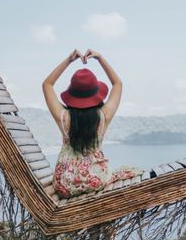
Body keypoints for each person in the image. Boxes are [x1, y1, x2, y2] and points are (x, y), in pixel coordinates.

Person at [42, 48, 143, 199]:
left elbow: (47, 84)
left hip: (64, 183)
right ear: (96, 94)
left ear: (72, 94)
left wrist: (69, 60)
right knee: (127, 170)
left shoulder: (64, 118)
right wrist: (100, 58)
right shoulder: (103, 116)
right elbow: (117, 84)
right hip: (95, 180)